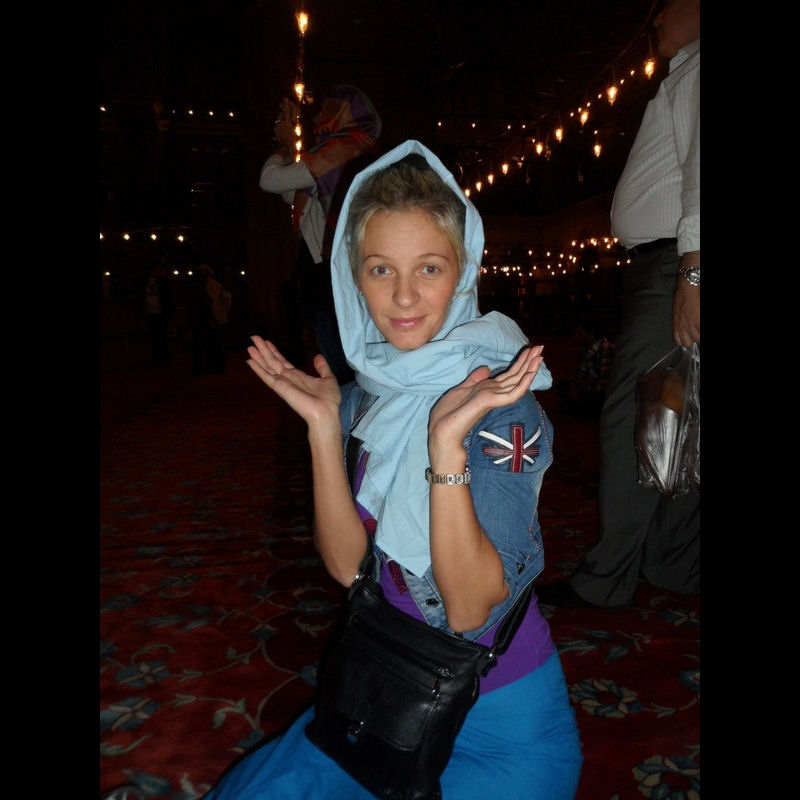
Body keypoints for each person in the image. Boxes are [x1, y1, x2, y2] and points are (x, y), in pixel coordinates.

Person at [203, 141, 582, 799]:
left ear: (463, 271)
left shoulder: (501, 401)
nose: (404, 296)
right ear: (353, 277)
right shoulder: (364, 395)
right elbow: (349, 567)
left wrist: (445, 449)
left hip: (499, 720)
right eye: (380, 269)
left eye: (429, 268)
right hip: (386, 693)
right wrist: (323, 429)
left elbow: (468, 609)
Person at [537, 0, 700, 610]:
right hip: (672, 264)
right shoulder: (686, 72)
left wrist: (693, 273)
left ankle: (608, 578)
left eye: (667, 5)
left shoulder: (698, 67)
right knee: (677, 412)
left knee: (638, 415)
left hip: (676, 265)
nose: (655, 20)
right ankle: (674, 564)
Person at [259, 85, 382, 383]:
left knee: (337, 341)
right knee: (334, 333)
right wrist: (291, 150)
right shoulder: (344, 150)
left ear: (343, 114)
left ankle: (349, 401)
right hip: (331, 258)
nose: (317, 118)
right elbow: (290, 193)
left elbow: (269, 180)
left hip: (334, 260)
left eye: (327, 110)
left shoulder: (340, 149)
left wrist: (283, 147)